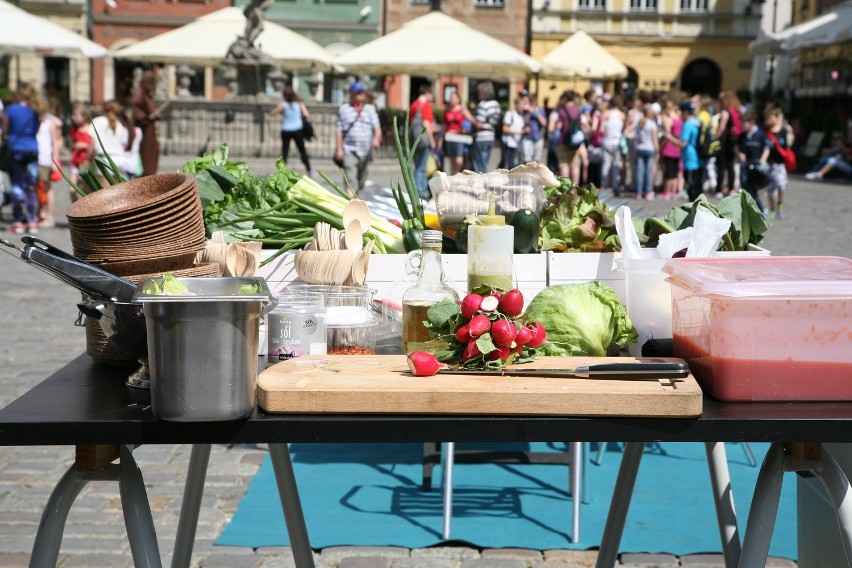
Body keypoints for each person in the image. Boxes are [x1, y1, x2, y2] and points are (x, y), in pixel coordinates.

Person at [1, 84, 41, 234]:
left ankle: (18, 221)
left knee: (16, 185)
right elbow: (36, 130)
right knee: (30, 186)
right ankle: (32, 221)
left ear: (19, 95)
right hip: (32, 150)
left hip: (16, 150)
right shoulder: (35, 110)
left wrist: (8, 136)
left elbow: (5, 131)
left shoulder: (11, 110)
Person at [335, 82, 381, 193]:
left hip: (365, 152)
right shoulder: (344, 109)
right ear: (352, 94)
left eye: (362, 92)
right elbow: (339, 130)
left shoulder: (370, 109)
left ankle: (356, 199)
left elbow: (377, 128)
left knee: (360, 182)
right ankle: (350, 203)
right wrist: (339, 149)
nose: (361, 95)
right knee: (351, 181)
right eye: (358, 92)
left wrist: (376, 138)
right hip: (349, 151)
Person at [269, 86, 312, 174]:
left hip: (286, 129)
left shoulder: (283, 104)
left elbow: (272, 113)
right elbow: (306, 114)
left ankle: (282, 171)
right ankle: (309, 170)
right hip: (297, 129)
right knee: (302, 151)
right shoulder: (299, 103)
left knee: (285, 152)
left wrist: (281, 110)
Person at [35, 97, 62, 228]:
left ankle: (49, 216)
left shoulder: (50, 123)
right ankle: (40, 213)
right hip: (36, 158)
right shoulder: (35, 122)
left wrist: (54, 159)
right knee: (37, 187)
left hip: (45, 159)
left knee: (47, 187)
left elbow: (55, 142)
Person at [736, 110, 770, 212]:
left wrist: (762, 161)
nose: (742, 125)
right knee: (745, 187)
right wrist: (739, 154)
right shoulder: (742, 136)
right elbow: (736, 147)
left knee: (752, 190)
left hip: (755, 167)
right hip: (745, 166)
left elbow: (766, 148)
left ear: (752, 122)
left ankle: (761, 210)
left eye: (743, 123)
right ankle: (753, 210)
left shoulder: (760, 135)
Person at [763, 106, 794, 219]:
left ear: (777, 117)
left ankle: (780, 204)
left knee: (781, 185)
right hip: (769, 164)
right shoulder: (766, 132)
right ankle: (772, 209)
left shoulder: (783, 131)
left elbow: (786, 146)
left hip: (780, 164)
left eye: (770, 118)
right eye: (767, 118)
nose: (768, 120)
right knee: (770, 189)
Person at [407, 84, 436, 199]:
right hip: (424, 140)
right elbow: (426, 124)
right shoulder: (425, 105)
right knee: (422, 168)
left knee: (418, 165)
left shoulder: (414, 104)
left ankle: (417, 190)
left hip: (415, 140)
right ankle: (420, 193)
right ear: (428, 93)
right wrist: (432, 140)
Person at [131, 70, 161, 176]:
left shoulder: (147, 94)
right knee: (147, 153)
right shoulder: (140, 92)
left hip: (150, 129)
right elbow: (134, 108)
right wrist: (145, 117)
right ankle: (147, 174)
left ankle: (150, 173)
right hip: (145, 130)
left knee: (153, 151)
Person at [556, 90, 586, 184]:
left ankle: (565, 188)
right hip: (576, 142)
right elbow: (581, 124)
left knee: (564, 165)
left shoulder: (561, 111)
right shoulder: (578, 110)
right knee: (575, 165)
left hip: (564, 141)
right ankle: (575, 188)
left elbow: (559, 126)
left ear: (565, 98)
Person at [440, 91, 474, 176]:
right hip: (448, 137)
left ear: (458, 99)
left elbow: (471, 120)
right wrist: (441, 139)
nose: (452, 100)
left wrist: (466, 129)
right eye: (451, 98)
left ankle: (456, 173)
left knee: (459, 160)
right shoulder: (447, 110)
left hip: (459, 137)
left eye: (454, 98)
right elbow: (444, 126)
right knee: (451, 160)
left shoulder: (462, 110)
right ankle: (452, 176)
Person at [715, 91, 742, 197]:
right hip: (733, 140)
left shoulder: (726, 112)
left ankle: (719, 188)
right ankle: (731, 187)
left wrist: (715, 137)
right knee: (731, 166)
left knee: (721, 166)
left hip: (725, 141)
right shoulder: (736, 110)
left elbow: (721, 127)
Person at [675, 100, 703, 201]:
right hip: (699, 159)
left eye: (681, 111)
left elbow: (682, 143)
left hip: (690, 160)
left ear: (686, 112)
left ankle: (695, 214)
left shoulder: (687, 124)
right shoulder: (697, 122)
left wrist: (668, 137)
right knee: (698, 190)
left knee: (692, 191)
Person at [470, 81, 501, 173]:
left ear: (484, 93)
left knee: (480, 166)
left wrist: (469, 116)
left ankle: (481, 185)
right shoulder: (496, 105)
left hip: (481, 137)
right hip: (490, 136)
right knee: (485, 163)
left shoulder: (483, 105)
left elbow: (478, 124)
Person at [599, 95, 626, 196]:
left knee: (606, 164)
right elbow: (623, 130)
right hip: (617, 142)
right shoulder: (622, 115)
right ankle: (616, 186)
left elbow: (601, 129)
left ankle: (604, 186)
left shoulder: (606, 113)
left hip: (606, 141)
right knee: (616, 164)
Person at [633, 105, 659, 200]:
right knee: (648, 171)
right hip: (650, 148)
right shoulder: (652, 124)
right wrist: (657, 151)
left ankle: (638, 192)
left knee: (639, 171)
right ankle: (648, 192)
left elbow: (636, 136)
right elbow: (654, 139)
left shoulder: (639, 123)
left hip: (640, 148)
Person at [68, 103, 92, 203]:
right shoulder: (74, 130)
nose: (73, 117)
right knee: (71, 190)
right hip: (75, 163)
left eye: (76, 115)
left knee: (87, 191)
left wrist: (84, 146)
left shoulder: (90, 130)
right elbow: (71, 145)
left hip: (87, 164)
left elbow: (95, 146)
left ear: (84, 116)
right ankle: (76, 209)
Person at [659, 100, 682, 200]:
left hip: (669, 147)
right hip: (678, 147)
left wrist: (660, 147)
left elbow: (667, 133)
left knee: (668, 171)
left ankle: (667, 191)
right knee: (675, 171)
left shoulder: (668, 119)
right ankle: (673, 191)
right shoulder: (678, 118)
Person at [499, 93, 527, 170]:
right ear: (516, 104)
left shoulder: (521, 116)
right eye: (521, 105)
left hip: (515, 143)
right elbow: (505, 128)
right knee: (505, 163)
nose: (522, 107)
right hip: (507, 143)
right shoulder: (510, 114)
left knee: (512, 163)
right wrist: (520, 132)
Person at [520, 91, 547, 164]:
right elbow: (525, 122)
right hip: (528, 137)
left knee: (537, 160)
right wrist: (529, 112)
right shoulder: (526, 110)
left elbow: (544, 123)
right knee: (526, 160)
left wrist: (537, 113)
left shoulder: (541, 110)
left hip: (538, 137)